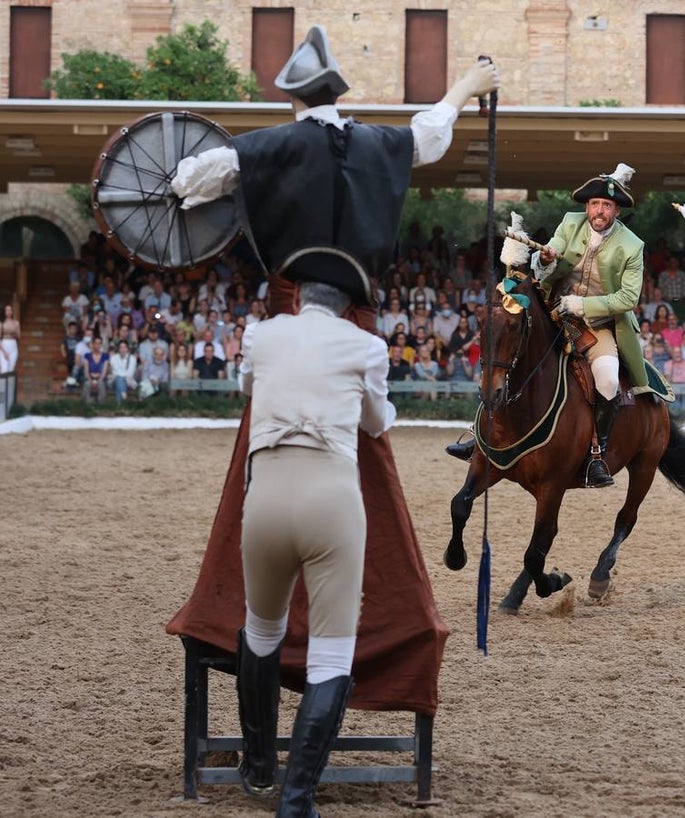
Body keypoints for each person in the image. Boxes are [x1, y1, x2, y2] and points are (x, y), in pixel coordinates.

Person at [167, 29, 496, 815]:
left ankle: (254, 755)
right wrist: (466, 87)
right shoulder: (383, 144)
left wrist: (214, 175)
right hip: (358, 339)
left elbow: (187, 183)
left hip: (284, 333)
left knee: (258, 509)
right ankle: (307, 770)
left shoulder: (268, 149)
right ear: (340, 92)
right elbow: (429, 134)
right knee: (368, 479)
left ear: (292, 96)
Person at [237, 249, 395, 813]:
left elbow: (247, 388)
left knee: (260, 631)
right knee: (331, 659)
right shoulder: (367, 346)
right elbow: (376, 421)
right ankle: (297, 800)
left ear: (299, 297)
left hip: (268, 494)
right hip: (332, 498)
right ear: (350, 308)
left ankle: (257, 764)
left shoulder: (263, 333)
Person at [530, 162, 669, 488]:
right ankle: (481, 437)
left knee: (607, 380)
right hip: (553, 312)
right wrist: (544, 260)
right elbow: (544, 269)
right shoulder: (569, 223)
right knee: (509, 345)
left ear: (616, 210)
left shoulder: (632, 246)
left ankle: (598, 454)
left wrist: (583, 304)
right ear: (587, 206)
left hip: (599, 326)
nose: (599, 210)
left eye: (606, 205)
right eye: (594, 204)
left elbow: (628, 299)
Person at [0, 303, 20, 375]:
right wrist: (4, 352)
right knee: (4, 370)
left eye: (10, 310)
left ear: (12, 311)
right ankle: (2, 386)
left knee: (11, 370)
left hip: (13, 345)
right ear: (4, 312)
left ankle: (10, 386)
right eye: (7, 310)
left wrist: (14, 333)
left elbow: (18, 336)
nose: (8, 311)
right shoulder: (1, 323)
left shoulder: (16, 323)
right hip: (4, 345)